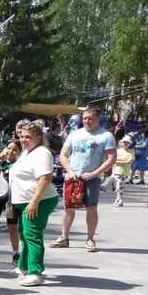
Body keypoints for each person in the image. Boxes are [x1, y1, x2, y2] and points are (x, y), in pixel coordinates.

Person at [54, 106, 115, 252]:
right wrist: (70, 171)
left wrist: (94, 174)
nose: (87, 121)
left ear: (98, 119)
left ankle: (90, 239)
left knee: (91, 208)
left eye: (90, 118)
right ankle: (64, 237)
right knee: (69, 208)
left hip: (92, 178)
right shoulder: (74, 134)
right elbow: (63, 155)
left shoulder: (106, 136)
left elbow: (111, 159)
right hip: (72, 177)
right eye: (85, 118)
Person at [10, 121, 57, 286]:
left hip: (38, 200)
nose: (23, 140)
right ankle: (24, 265)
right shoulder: (27, 152)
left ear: (39, 137)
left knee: (32, 235)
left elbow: (45, 178)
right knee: (25, 234)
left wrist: (34, 202)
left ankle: (35, 272)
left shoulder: (42, 153)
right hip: (24, 200)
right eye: (21, 136)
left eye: (28, 137)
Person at [112, 136, 134, 207]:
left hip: (125, 171)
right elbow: (114, 160)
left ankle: (119, 199)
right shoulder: (118, 151)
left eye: (127, 143)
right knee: (118, 186)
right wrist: (123, 161)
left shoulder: (131, 152)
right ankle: (119, 199)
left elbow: (129, 161)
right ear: (122, 143)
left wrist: (120, 161)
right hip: (117, 171)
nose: (126, 144)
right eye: (124, 142)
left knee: (120, 186)